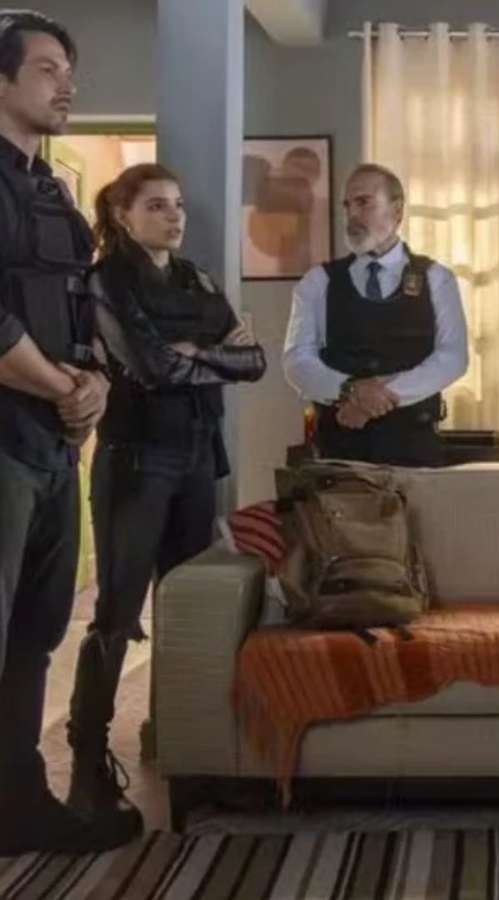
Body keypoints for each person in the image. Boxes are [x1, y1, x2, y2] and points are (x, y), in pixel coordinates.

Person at [65, 163, 266, 823]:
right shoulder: (107, 280)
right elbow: (151, 366)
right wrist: (209, 353)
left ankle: (193, 761)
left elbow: (255, 361)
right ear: (123, 215)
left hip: (196, 458)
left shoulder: (196, 280)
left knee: (187, 612)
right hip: (136, 461)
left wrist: (195, 353)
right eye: (156, 206)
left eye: (177, 204)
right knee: (117, 614)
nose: (174, 216)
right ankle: (89, 765)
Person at [0, 9, 141, 853]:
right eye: (48, 69)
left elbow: (79, 308)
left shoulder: (51, 191)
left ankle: (20, 806)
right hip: (7, 440)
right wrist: (62, 388)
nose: (68, 85)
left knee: (36, 632)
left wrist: (92, 383)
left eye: (69, 71)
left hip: (52, 444)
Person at [283, 163, 468, 466]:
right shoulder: (318, 282)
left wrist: (377, 398)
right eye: (347, 206)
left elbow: (452, 358)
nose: (352, 215)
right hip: (340, 450)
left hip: (415, 449)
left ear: (397, 211)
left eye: (364, 202)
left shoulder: (437, 279)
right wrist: (349, 390)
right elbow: (297, 361)